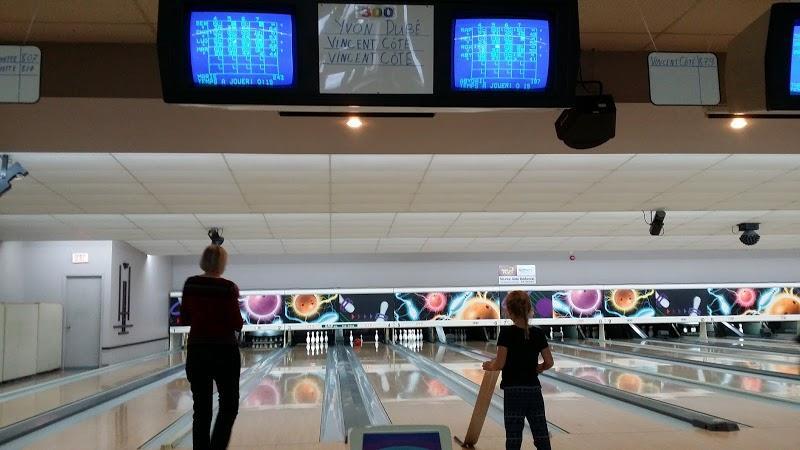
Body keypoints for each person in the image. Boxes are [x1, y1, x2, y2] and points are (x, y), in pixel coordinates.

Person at [181, 244, 244, 450]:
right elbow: (237, 322)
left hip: (198, 351)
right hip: (224, 352)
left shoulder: (190, 284)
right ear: (222, 263)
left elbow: (184, 318)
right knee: (229, 406)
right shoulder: (228, 287)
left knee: (201, 410)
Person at [482, 291, 554, 450]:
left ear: (509, 311)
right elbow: (549, 362)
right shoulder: (538, 333)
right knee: (541, 433)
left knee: (514, 436)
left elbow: (500, 364)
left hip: (513, 391)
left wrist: (489, 365)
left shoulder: (506, 333)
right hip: (533, 390)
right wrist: (540, 368)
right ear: (529, 309)